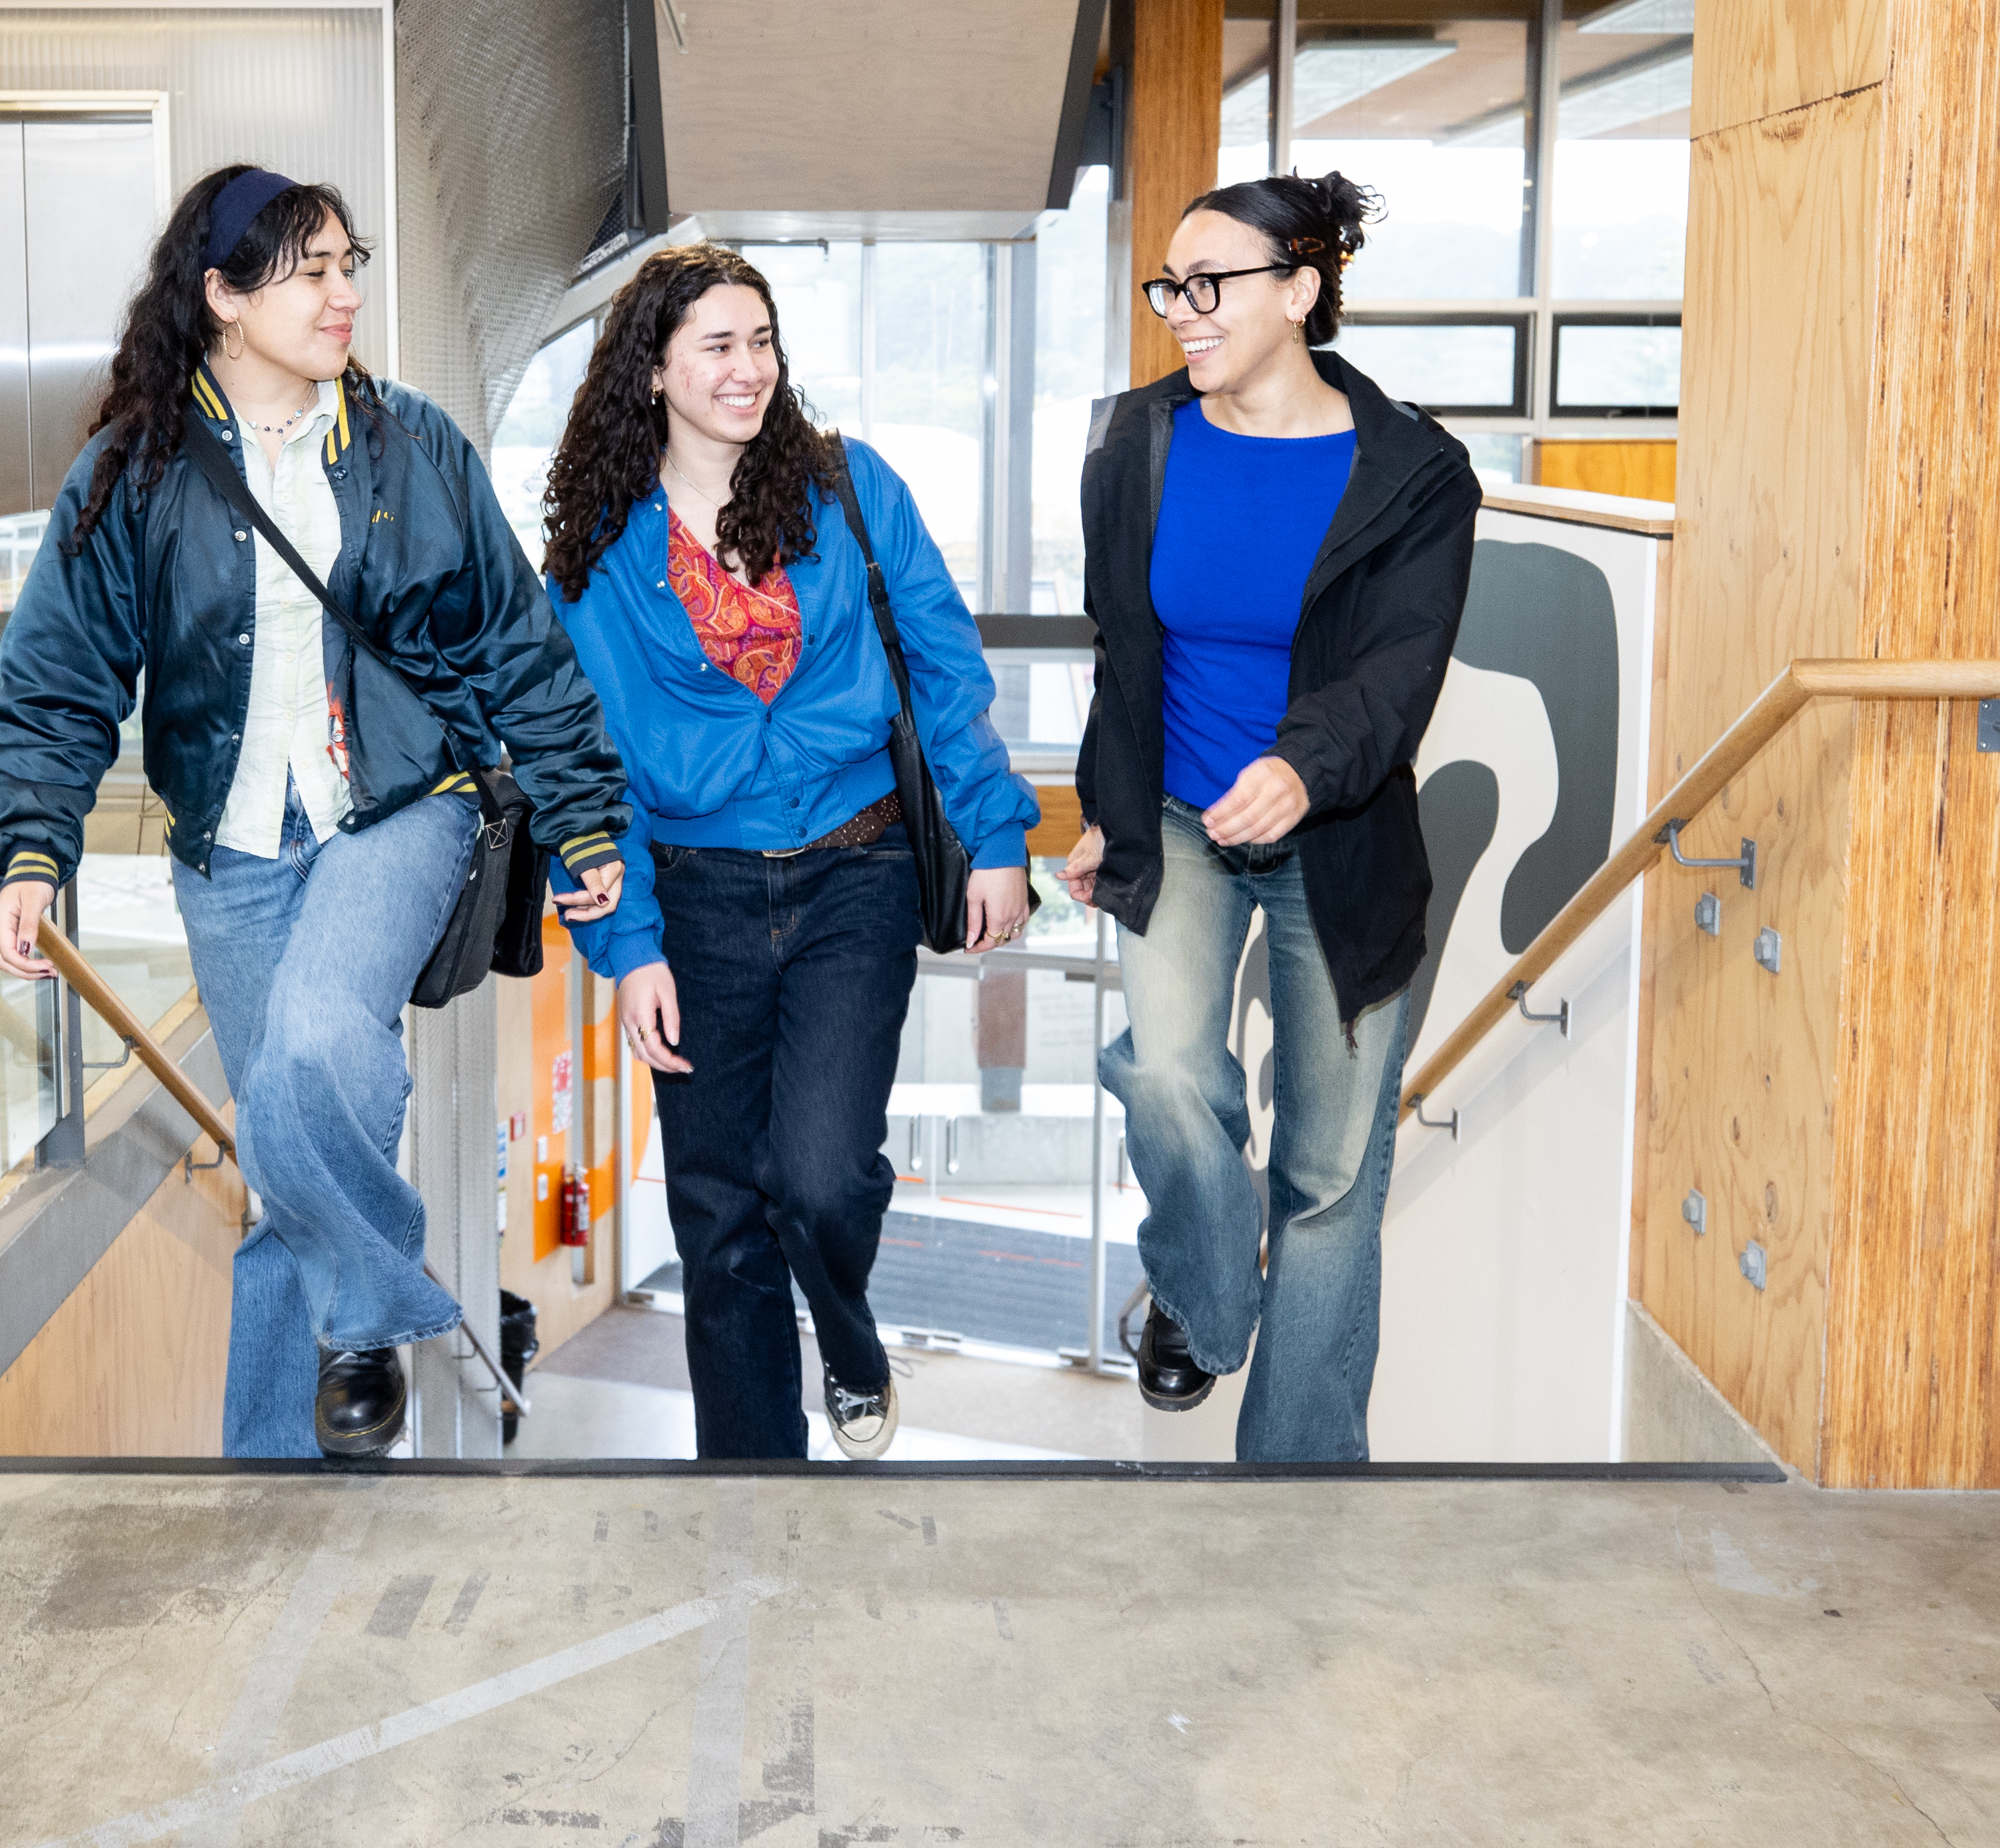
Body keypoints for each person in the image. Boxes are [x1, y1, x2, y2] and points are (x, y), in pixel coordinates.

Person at [0, 164, 630, 1461]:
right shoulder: (139, 469)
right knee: (284, 1141)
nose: (343, 294)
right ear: (219, 296)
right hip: (231, 841)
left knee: (324, 1042)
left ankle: (374, 1311)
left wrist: (584, 813)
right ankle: (277, 1476)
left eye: (348, 265)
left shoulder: (410, 444)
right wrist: (30, 846)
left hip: (400, 801)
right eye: (307, 270)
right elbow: (60, 670)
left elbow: (517, 642)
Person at [540, 244, 1039, 1461]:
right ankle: (752, 1500)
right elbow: (578, 768)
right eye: (717, 345)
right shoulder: (597, 552)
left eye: (761, 342)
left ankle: (850, 1336)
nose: (748, 370)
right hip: (695, 897)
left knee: (818, 1176)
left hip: (854, 871)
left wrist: (996, 833)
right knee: (716, 1217)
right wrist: (628, 944)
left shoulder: (845, 487)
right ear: (651, 370)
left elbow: (943, 665)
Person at [1057, 172, 1478, 1462]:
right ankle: (1197, 1292)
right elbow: (1124, 651)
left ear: (1300, 293)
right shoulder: (1135, 442)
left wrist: (1303, 765)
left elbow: (1403, 666)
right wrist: (1103, 808)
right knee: (1167, 1073)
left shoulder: (1414, 473)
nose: (1182, 312)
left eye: (1211, 285)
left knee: (1331, 1180)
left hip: (1339, 843)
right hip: (1177, 817)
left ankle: (1296, 1480)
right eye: (1169, 287)